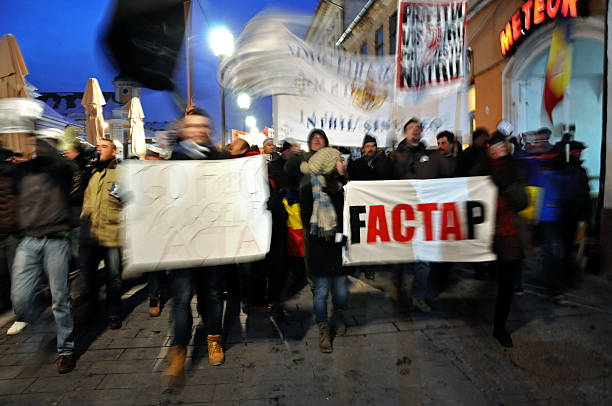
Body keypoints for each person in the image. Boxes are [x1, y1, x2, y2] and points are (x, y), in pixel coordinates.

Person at [166, 108, 227, 379]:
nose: (199, 130)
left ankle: (213, 338)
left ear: (209, 131)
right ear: (183, 130)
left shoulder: (221, 159)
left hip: (211, 241)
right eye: (193, 126)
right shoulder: (172, 161)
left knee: (212, 294)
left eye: (203, 126)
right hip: (181, 243)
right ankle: (178, 349)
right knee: (180, 298)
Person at [10, 134, 77, 373]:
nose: (37, 148)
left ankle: (66, 349)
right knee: (20, 296)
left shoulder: (61, 171)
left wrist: (47, 148)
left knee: (60, 298)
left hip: (57, 240)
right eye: (36, 145)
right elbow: (10, 171)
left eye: (42, 145)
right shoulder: (25, 170)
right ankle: (42, 324)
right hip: (29, 239)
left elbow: (69, 166)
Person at [471, 132, 528, 347]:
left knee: (506, 285)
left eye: (501, 144)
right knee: (489, 281)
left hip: (508, 234)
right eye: (493, 146)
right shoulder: (481, 169)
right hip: (485, 234)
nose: (499, 149)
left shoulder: (518, 168)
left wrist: (504, 184)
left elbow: (522, 201)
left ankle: (499, 327)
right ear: (489, 150)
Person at [389, 118, 441, 313]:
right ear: (405, 133)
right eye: (411, 128)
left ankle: (418, 295)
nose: (416, 131)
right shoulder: (397, 155)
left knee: (424, 258)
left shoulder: (428, 154)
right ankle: (397, 285)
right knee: (400, 254)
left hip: (424, 211)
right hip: (403, 210)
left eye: (418, 128)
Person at [300, 145, 347, 353]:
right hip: (320, 250)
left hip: (338, 249)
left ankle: (338, 316)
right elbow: (306, 221)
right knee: (320, 293)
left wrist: (339, 236)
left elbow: (346, 216)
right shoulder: (308, 189)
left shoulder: (341, 187)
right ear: (329, 164)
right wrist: (329, 234)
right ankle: (323, 328)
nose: (342, 163)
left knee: (341, 292)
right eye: (339, 160)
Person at [79, 138, 124, 330]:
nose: (99, 150)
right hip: (90, 232)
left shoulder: (121, 173)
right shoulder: (91, 170)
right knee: (88, 275)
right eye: (98, 147)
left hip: (113, 232)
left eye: (104, 147)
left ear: (113, 152)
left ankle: (113, 312)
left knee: (113, 276)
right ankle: (92, 309)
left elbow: (127, 199)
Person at [561, 140, 591, 281]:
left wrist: (586, 213)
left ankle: (567, 275)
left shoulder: (581, 171)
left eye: (579, 151)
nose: (578, 154)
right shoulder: (565, 169)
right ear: (570, 152)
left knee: (570, 246)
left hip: (574, 215)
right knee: (563, 247)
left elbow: (585, 193)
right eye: (576, 151)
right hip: (564, 214)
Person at [0, 148, 19, 320]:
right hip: (12, 228)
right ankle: (19, 309)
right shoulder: (14, 173)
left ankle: (4, 302)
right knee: (15, 270)